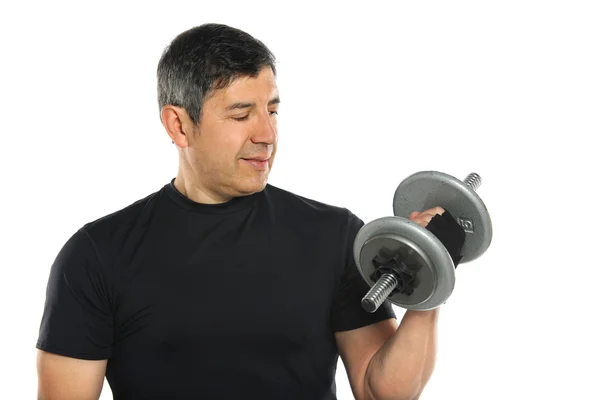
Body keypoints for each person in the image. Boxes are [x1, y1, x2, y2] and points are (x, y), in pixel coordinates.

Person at [36, 23, 447, 400]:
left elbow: (380, 392)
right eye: (241, 114)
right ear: (178, 125)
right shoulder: (96, 256)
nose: (267, 134)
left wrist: (430, 277)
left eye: (272, 110)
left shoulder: (334, 235)